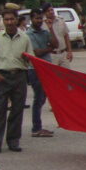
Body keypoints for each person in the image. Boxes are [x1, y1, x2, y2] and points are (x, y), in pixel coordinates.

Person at [0, 9, 32, 153]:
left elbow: (31, 58)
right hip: (1, 76)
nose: (9, 22)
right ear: (3, 21)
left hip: (19, 76)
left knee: (17, 110)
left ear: (16, 20)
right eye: (6, 19)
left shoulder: (24, 38)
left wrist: (27, 60)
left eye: (12, 19)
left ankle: (13, 140)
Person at [26, 9, 57, 139]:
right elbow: (36, 52)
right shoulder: (28, 34)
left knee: (42, 97)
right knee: (38, 98)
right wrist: (48, 49)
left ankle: (38, 126)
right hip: (35, 69)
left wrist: (51, 29)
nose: (39, 21)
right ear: (31, 19)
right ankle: (36, 127)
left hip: (46, 67)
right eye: (36, 18)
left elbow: (55, 44)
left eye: (40, 18)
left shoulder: (45, 32)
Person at [42, 2, 74, 69]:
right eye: (48, 11)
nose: (51, 12)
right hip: (51, 55)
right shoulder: (42, 24)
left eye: (51, 10)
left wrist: (69, 51)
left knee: (66, 76)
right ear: (45, 13)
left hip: (63, 53)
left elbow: (66, 36)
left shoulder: (60, 20)